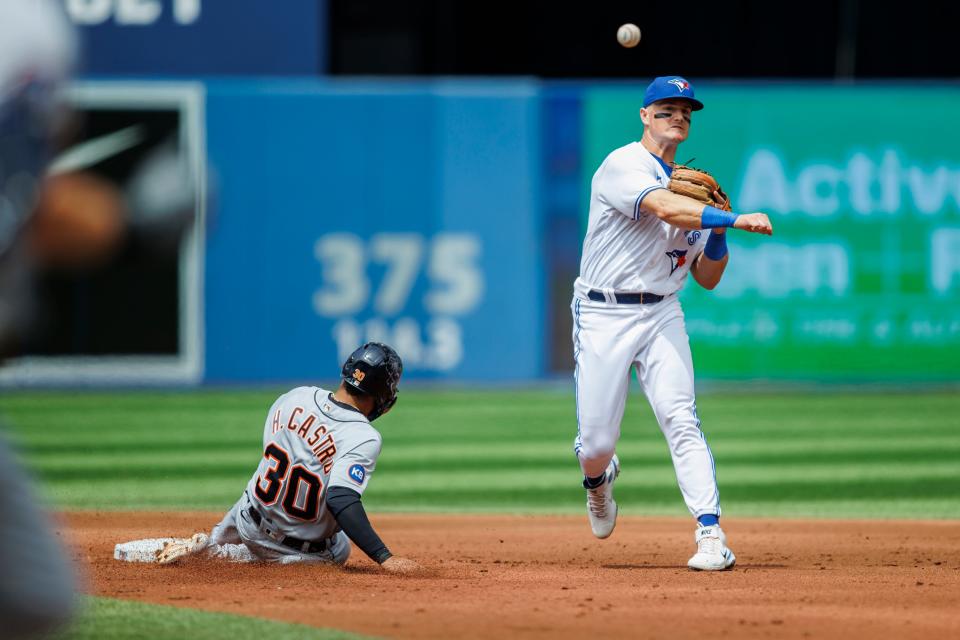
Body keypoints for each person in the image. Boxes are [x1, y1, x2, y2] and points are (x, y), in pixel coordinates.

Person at [571, 76, 773, 570]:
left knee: (681, 418)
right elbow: (662, 206)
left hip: (662, 312)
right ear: (644, 115)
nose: (677, 116)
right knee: (596, 443)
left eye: (685, 110)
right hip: (602, 312)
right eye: (666, 108)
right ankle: (598, 482)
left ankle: (710, 534)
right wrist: (732, 219)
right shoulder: (624, 165)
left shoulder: (696, 195)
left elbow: (706, 278)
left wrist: (720, 236)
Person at [157, 342, 422, 574]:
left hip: (248, 516)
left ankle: (217, 540)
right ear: (384, 393)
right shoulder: (363, 436)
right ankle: (226, 556)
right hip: (293, 550)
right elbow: (341, 498)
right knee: (339, 548)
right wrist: (384, 557)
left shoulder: (295, 396)